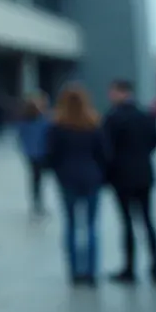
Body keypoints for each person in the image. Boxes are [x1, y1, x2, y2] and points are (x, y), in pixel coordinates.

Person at [45, 83, 110, 287]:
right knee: (91, 226)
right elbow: (105, 154)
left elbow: (51, 156)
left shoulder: (58, 127)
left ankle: (74, 272)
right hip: (91, 178)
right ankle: (91, 272)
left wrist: (58, 171)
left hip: (67, 179)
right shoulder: (93, 124)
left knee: (71, 226)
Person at [103, 79, 156, 285]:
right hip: (144, 174)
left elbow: (106, 149)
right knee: (148, 221)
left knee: (127, 223)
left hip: (121, 177)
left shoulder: (113, 118)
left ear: (121, 92)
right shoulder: (146, 115)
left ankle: (129, 267)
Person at [16, 93, 50, 216]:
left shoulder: (36, 119)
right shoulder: (39, 119)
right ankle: (37, 203)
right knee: (37, 179)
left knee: (36, 179)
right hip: (38, 153)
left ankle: (37, 202)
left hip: (34, 153)